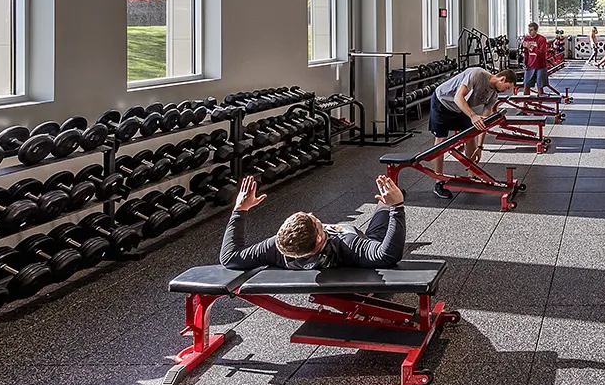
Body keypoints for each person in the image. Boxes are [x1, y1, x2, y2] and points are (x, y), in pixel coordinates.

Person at [220, 174, 407, 270]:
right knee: (379, 225)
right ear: (319, 238)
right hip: (356, 241)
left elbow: (229, 258)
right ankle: (388, 201)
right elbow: (387, 256)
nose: (311, 212)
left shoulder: (278, 248)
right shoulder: (347, 246)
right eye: (315, 220)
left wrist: (240, 209)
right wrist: (397, 206)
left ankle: (387, 201)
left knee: (383, 211)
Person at [428, 66, 518, 199]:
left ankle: (472, 176)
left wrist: (480, 147)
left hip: (461, 108)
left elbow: (484, 123)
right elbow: (459, 97)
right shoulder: (478, 74)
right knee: (441, 141)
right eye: (507, 87)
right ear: (502, 78)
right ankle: (438, 182)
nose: (507, 91)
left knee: (470, 136)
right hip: (442, 102)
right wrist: (473, 115)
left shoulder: (493, 95)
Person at [520, 22, 550, 96]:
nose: (529, 32)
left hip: (540, 66)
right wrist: (525, 63)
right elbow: (526, 52)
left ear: (536, 30)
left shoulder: (541, 39)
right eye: (529, 30)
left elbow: (542, 54)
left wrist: (531, 47)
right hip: (530, 65)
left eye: (531, 30)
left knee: (540, 87)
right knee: (526, 85)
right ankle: (525, 104)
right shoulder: (527, 38)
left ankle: (539, 105)